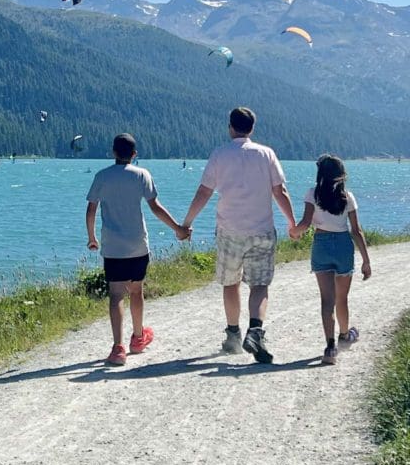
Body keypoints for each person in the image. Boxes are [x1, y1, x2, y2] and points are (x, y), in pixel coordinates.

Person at [181, 107, 295, 363]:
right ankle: (256, 330)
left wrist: (186, 223)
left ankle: (233, 335)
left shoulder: (220, 154)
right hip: (262, 229)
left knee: (230, 282)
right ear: (252, 128)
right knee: (259, 284)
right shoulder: (266, 153)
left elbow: (204, 192)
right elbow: (280, 192)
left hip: (229, 230)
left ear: (230, 127)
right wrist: (292, 223)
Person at [86, 133, 192, 366]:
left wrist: (92, 238)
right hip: (137, 245)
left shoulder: (102, 176)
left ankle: (117, 348)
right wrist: (178, 229)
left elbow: (91, 210)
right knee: (136, 291)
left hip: (113, 247)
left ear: (113, 152)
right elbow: (155, 207)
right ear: (134, 155)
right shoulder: (142, 175)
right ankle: (137, 338)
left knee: (116, 296)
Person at [289, 154, 371, 364]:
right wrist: (366, 260)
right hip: (343, 246)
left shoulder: (312, 194)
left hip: (322, 244)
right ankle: (345, 334)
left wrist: (294, 232)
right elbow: (357, 231)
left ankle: (330, 347)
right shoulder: (348, 197)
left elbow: (306, 223)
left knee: (327, 301)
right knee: (342, 298)